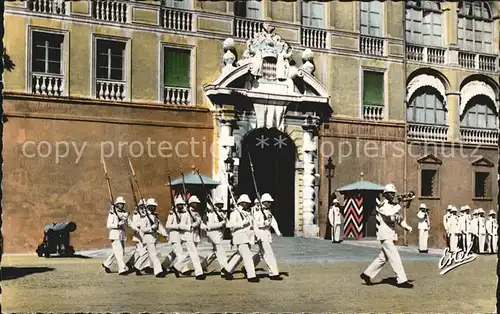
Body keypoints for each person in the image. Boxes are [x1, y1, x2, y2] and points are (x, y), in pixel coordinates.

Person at [360, 184, 413, 288]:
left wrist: (406, 227)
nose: (393, 195)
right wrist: (400, 203)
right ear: (385, 194)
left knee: (383, 258)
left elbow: (398, 218)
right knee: (395, 257)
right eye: (390, 193)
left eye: (393, 193)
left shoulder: (392, 206)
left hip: (390, 235)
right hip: (384, 235)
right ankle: (402, 280)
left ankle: (367, 274)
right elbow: (389, 213)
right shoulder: (382, 205)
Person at [225, 194, 259, 282]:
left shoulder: (247, 213)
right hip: (240, 237)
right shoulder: (234, 213)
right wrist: (243, 223)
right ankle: (251, 275)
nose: (247, 204)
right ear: (240, 203)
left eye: (247, 203)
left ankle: (227, 270)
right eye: (245, 203)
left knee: (239, 256)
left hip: (248, 237)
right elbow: (230, 226)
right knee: (247, 256)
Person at [172, 195, 206, 280]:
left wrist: (207, 228)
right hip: (188, 236)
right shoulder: (186, 213)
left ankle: (177, 267)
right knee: (194, 255)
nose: (197, 204)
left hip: (195, 236)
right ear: (191, 203)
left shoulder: (196, 213)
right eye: (195, 203)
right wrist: (191, 226)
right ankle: (199, 273)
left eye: (197, 203)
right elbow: (181, 225)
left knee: (189, 255)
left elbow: (200, 223)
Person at [251, 193, 283, 280]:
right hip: (260, 233)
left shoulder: (267, 211)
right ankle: (274, 273)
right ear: (264, 202)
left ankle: (249, 267)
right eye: (268, 202)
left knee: (261, 253)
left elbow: (272, 221)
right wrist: (263, 223)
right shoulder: (257, 210)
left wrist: (277, 231)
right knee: (269, 253)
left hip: (266, 233)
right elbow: (254, 223)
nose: (270, 203)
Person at [200, 197, 232, 279]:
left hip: (220, 234)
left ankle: (203, 264)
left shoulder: (222, 213)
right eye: (219, 204)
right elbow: (210, 226)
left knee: (215, 252)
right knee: (221, 252)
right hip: (213, 234)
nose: (220, 205)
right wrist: (221, 223)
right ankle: (224, 269)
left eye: (221, 204)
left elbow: (227, 223)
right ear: (215, 204)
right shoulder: (211, 213)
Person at [137, 198, 168, 278]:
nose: (154, 208)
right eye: (152, 206)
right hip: (148, 237)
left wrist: (164, 233)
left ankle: (137, 266)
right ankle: (158, 271)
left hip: (153, 237)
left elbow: (159, 226)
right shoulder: (144, 216)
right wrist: (151, 228)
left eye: (155, 206)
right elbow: (143, 229)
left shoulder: (154, 216)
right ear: (148, 206)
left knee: (147, 254)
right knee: (154, 255)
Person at [102, 196, 130, 275]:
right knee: (119, 252)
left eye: (122, 204)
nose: (121, 205)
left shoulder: (124, 213)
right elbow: (109, 225)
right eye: (120, 204)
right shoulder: (112, 213)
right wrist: (117, 224)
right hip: (114, 234)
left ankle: (106, 263)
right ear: (117, 204)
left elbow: (127, 222)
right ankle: (122, 269)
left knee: (119, 251)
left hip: (121, 234)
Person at [162, 196, 185, 275]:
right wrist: (177, 226)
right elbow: (167, 225)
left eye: (182, 204)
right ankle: (181, 268)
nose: (181, 206)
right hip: (174, 235)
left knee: (174, 253)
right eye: (179, 204)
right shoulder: (172, 214)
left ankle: (164, 265)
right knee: (180, 253)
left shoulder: (184, 213)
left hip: (181, 236)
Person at [126, 199, 150, 275]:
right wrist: (137, 227)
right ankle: (142, 266)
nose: (143, 208)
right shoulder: (136, 214)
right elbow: (133, 224)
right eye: (141, 206)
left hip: (145, 236)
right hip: (138, 236)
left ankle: (130, 263)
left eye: (144, 206)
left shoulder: (146, 213)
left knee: (139, 251)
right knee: (143, 251)